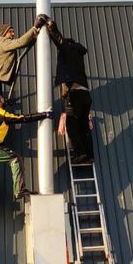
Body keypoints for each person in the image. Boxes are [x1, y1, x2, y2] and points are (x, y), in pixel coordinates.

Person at [46, 18, 93, 163]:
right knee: (83, 126)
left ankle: (79, 154)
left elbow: (60, 41)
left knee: (71, 124)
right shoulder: (78, 55)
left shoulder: (70, 50)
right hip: (85, 94)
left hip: (76, 94)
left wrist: (50, 25)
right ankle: (88, 155)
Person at [0, 16, 48, 110]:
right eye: (10, 31)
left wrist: (34, 36)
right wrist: (34, 28)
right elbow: (20, 42)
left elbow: (24, 43)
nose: (13, 33)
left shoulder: (8, 44)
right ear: (4, 33)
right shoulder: (2, 42)